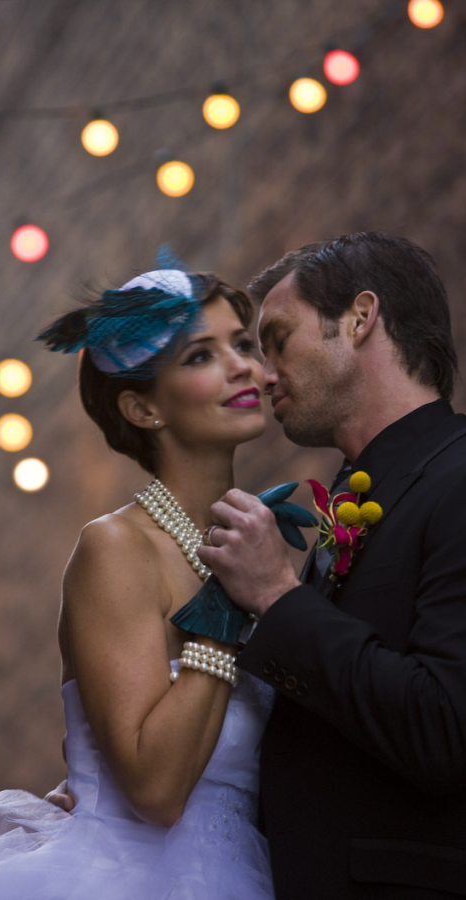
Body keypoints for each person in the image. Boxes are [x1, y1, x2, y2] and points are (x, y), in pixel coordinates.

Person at [0, 267, 289, 900]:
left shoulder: (255, 545)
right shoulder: (116, 549)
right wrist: (225, 608)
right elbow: (154, 789)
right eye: (201, 354)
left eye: (244, 343)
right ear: (142, 406)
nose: (242, 366)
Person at [195, 232, 466, 899]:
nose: (261, 374)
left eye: (277, 340)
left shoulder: (459, 478)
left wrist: (277, 595)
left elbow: (444, 730)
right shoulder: (351, 502)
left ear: (360, 317)